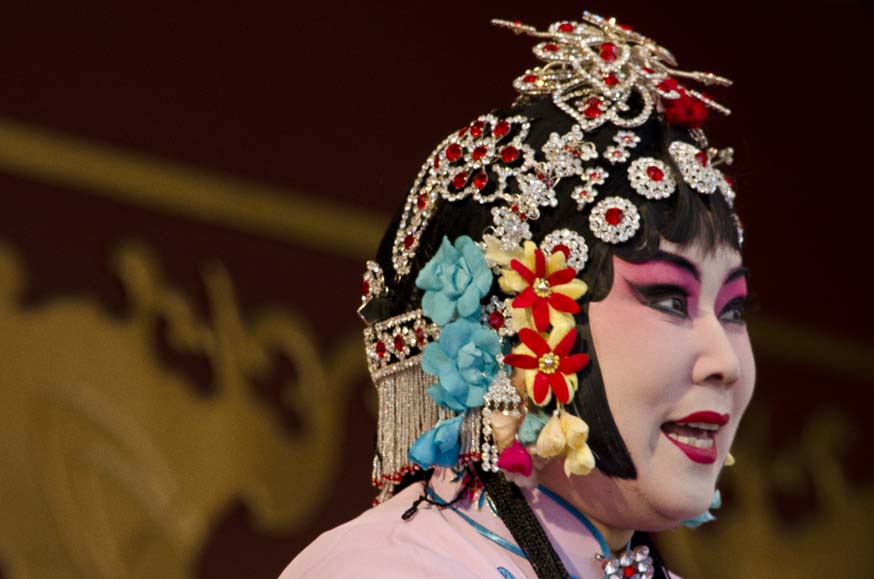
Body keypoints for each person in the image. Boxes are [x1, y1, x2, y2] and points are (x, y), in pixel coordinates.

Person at [280, 11, 754, 579]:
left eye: (733, 309)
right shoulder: (390, 568)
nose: (726, 362)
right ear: (521, 326)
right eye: (669, 299)